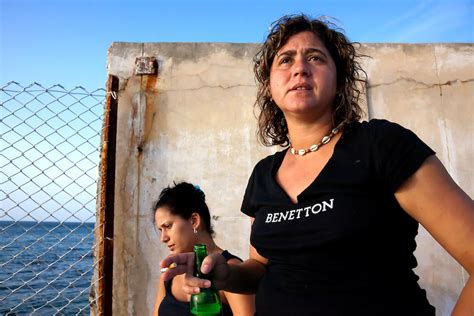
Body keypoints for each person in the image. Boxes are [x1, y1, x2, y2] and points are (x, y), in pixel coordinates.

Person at [160, 14, 474, 316]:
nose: (300, 69)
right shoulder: (263, 175)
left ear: (339, 82)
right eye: (285, 60)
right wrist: (225, 275)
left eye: (315, 58)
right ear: (270, 87)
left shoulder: (381, 144)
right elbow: (260, 268)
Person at [152, 181, 255, 316]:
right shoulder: (170, 272)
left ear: (194, 220)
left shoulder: (231, 271)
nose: (163, 238)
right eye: (160, 230)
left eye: (168, 226)